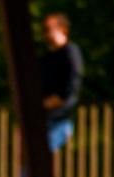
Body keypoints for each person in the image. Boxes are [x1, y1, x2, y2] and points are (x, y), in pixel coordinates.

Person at [39, 13, 83, 153]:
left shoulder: (70, 53)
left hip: (59, 122)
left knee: (41, 156)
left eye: (48, 28)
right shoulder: (47, 58)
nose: (44, 33)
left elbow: (71, 86)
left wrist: (48, 103)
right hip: (43, 120)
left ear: (62, 29)